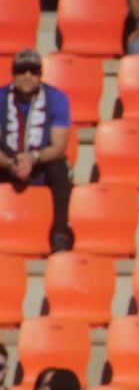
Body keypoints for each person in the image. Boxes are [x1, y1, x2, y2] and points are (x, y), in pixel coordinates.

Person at [0, 49, 73, 252]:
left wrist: (32, 158)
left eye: (33, 71)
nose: (28, 76)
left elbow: (59, 147)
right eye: (22, 71)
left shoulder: (57, 98)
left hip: (41, 162)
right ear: (13, 74)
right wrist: (9, 162)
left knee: (61, 169)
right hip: (7, 161)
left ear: (40, 74)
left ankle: (59, 233)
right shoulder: (1, 98)